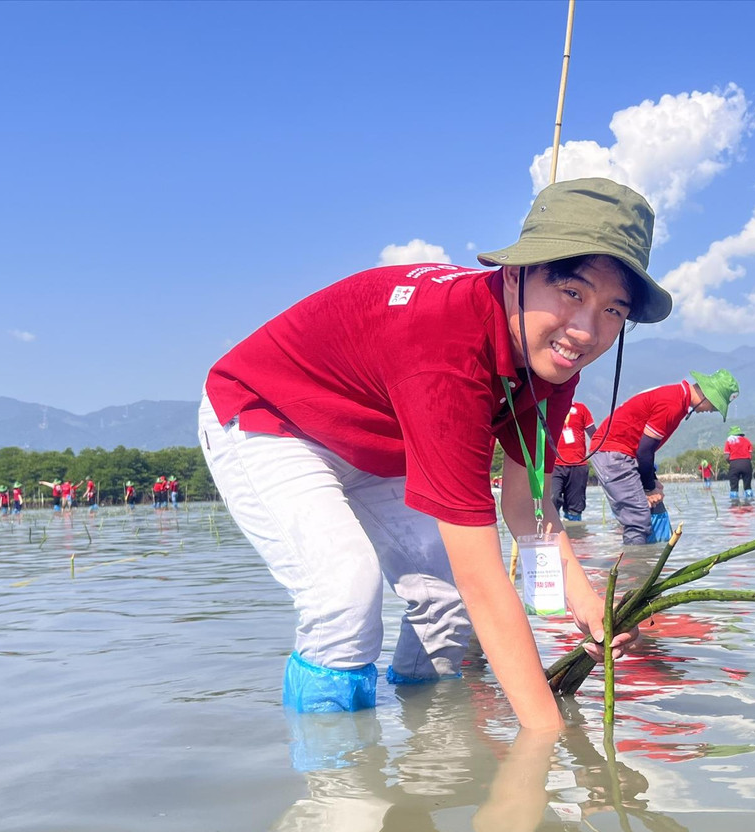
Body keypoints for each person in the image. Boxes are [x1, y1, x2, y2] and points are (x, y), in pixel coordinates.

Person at [199, 177, 673, 731]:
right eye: (573, 293)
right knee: (346, 596)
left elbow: (525, 509)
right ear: (516, 275)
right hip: (270, 416)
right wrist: (545, 740)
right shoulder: (445, 353)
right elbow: (483, 575)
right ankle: (336, 781)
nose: (587, 330)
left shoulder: (552, 356)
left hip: (376, 444)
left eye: (613, 310)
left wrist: (585, 603)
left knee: (448, 607)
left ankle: (434, 764)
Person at [588, 368, 739, 543]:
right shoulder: (672, 404)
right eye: (715, 405)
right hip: (613, 452)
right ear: (707, 395)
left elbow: (644, 450)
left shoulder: (677, 397)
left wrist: (652, 481)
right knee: (638, 520)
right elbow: (644, 450)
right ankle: (637, 569)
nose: (712, 411)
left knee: (651, 511)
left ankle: (648, 561)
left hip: (622, 453)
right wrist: (650, 488)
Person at [549, 401, 593, 521]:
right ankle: (554, 532)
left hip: (578, 464)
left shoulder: (581, 408)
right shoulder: (548, 406)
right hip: (554, 465)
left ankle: (575, 534)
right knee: (552, 498)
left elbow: (594, 435)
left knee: (575, 506)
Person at [724, 425, 753, 502]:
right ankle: (749, 504)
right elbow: (750, 456)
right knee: (748, 487)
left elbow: (726, 456)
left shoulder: (729, 441)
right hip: (746, 463)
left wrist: (732, 463)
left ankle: (734, 505)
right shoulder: (747, 441)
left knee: (733, 488)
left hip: (734, 464)